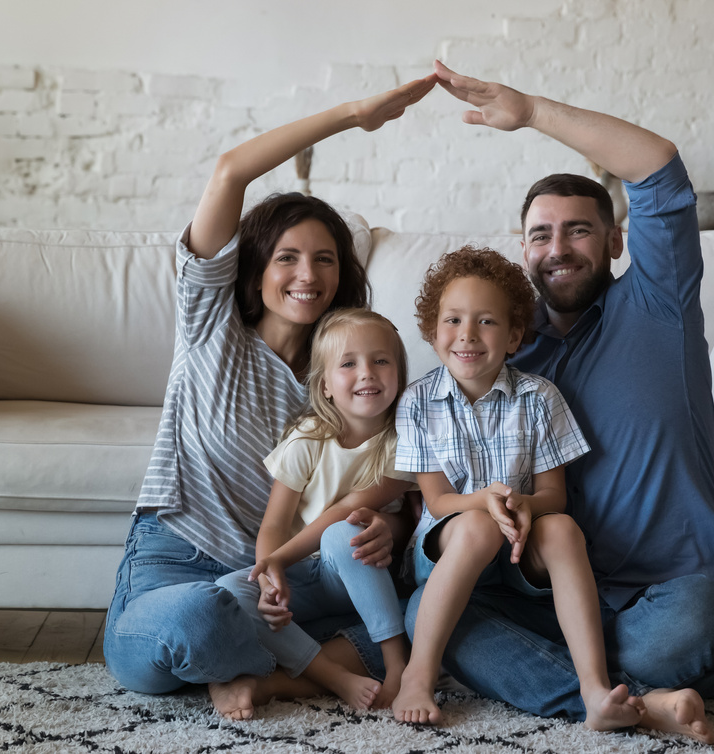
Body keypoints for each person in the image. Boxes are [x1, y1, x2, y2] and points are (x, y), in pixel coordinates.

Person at [406, 61, 714, 744]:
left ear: (617, 241)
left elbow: (657, 167)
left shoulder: (659, 303)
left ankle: (582, 680)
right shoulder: (502, 347)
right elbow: (427, 441)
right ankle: (629, 700)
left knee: (696, 632)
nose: (558, 248)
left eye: (579, 230)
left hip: (662, 592)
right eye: (541, 234)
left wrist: (531, 111)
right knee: (434, 612)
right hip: (541, 591)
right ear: (523, 249)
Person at [103, 73, 437, 721]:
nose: (307, 275)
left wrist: (388, 529)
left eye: (325, 259)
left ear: (344, 277)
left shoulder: (351, 375)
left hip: (295, 579)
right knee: (198, 618)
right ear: (254, 270)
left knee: (434, 619)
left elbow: (383, 486)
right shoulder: (210, 325)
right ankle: (285, 666)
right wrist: (352, 114)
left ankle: (265, 674)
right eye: (287, 257)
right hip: (179, 559)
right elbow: (229, 172)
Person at [390, 246, 646, 731]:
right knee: (476, 529)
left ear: (513, 337)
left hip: (517, 544)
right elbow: (439, 501)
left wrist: (523, 504)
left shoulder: (539, 397)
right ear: (432, 331)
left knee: (564, 530)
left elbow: (555, 495)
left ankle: (593, 688)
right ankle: (417, 676)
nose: (467, 334)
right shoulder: (417, 402)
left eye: (486, 322)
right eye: (453, 320)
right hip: (447, 545)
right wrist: (485, 502)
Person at [213, 309, 414, 716]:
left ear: (399, 373)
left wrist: (279, 558)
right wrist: (270, 576)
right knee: (231, 592)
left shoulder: (404, 442)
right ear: (325, 386)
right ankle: (332, 676)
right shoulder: (307, 439)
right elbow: (272, 525)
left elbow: (347, 509)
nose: (367, 373)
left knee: (344, 531)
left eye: (381, 360)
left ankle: (397, 666)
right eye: (348, 363)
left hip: (360, 571)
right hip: (307, 576)